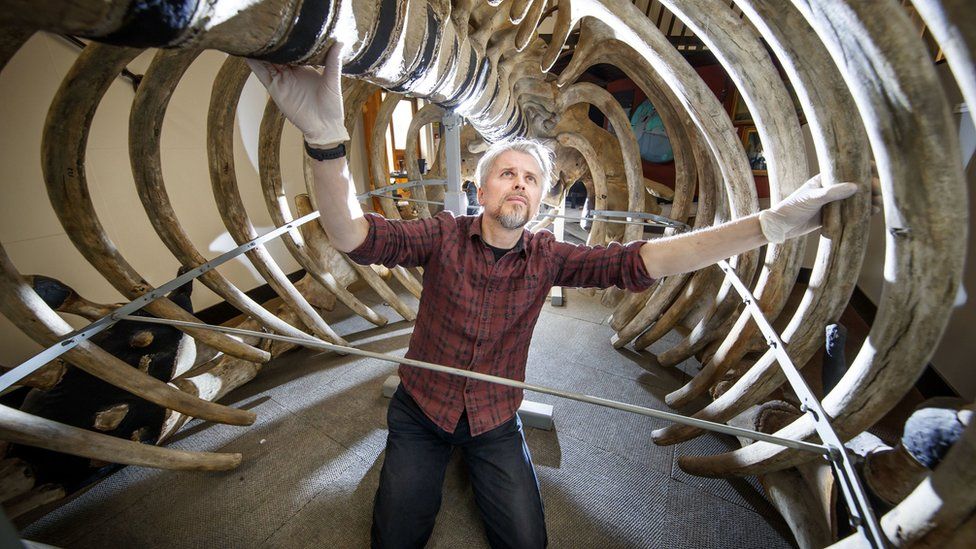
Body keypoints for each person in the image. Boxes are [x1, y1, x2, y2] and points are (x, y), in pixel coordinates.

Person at [246, 46, 859, 549]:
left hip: (495, 418)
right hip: (421, 411)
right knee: (395, 537)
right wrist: (326, 141)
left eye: (531, 178)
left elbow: (643, 259)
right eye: (507, 174)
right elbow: (354, 235)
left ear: (539, 201)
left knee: (527, 542)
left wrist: (770, 226)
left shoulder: (548, 256)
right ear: (481, 191)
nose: (520, 184)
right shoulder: (441, 235)